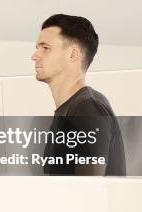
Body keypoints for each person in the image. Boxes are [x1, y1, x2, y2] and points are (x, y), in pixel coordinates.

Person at [30, 14, 126, 176]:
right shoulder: (75, 108)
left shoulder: (87, 108)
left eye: (45, 48)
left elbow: (90, 191)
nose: (35, 56)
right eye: (37, 48)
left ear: (73, 54)